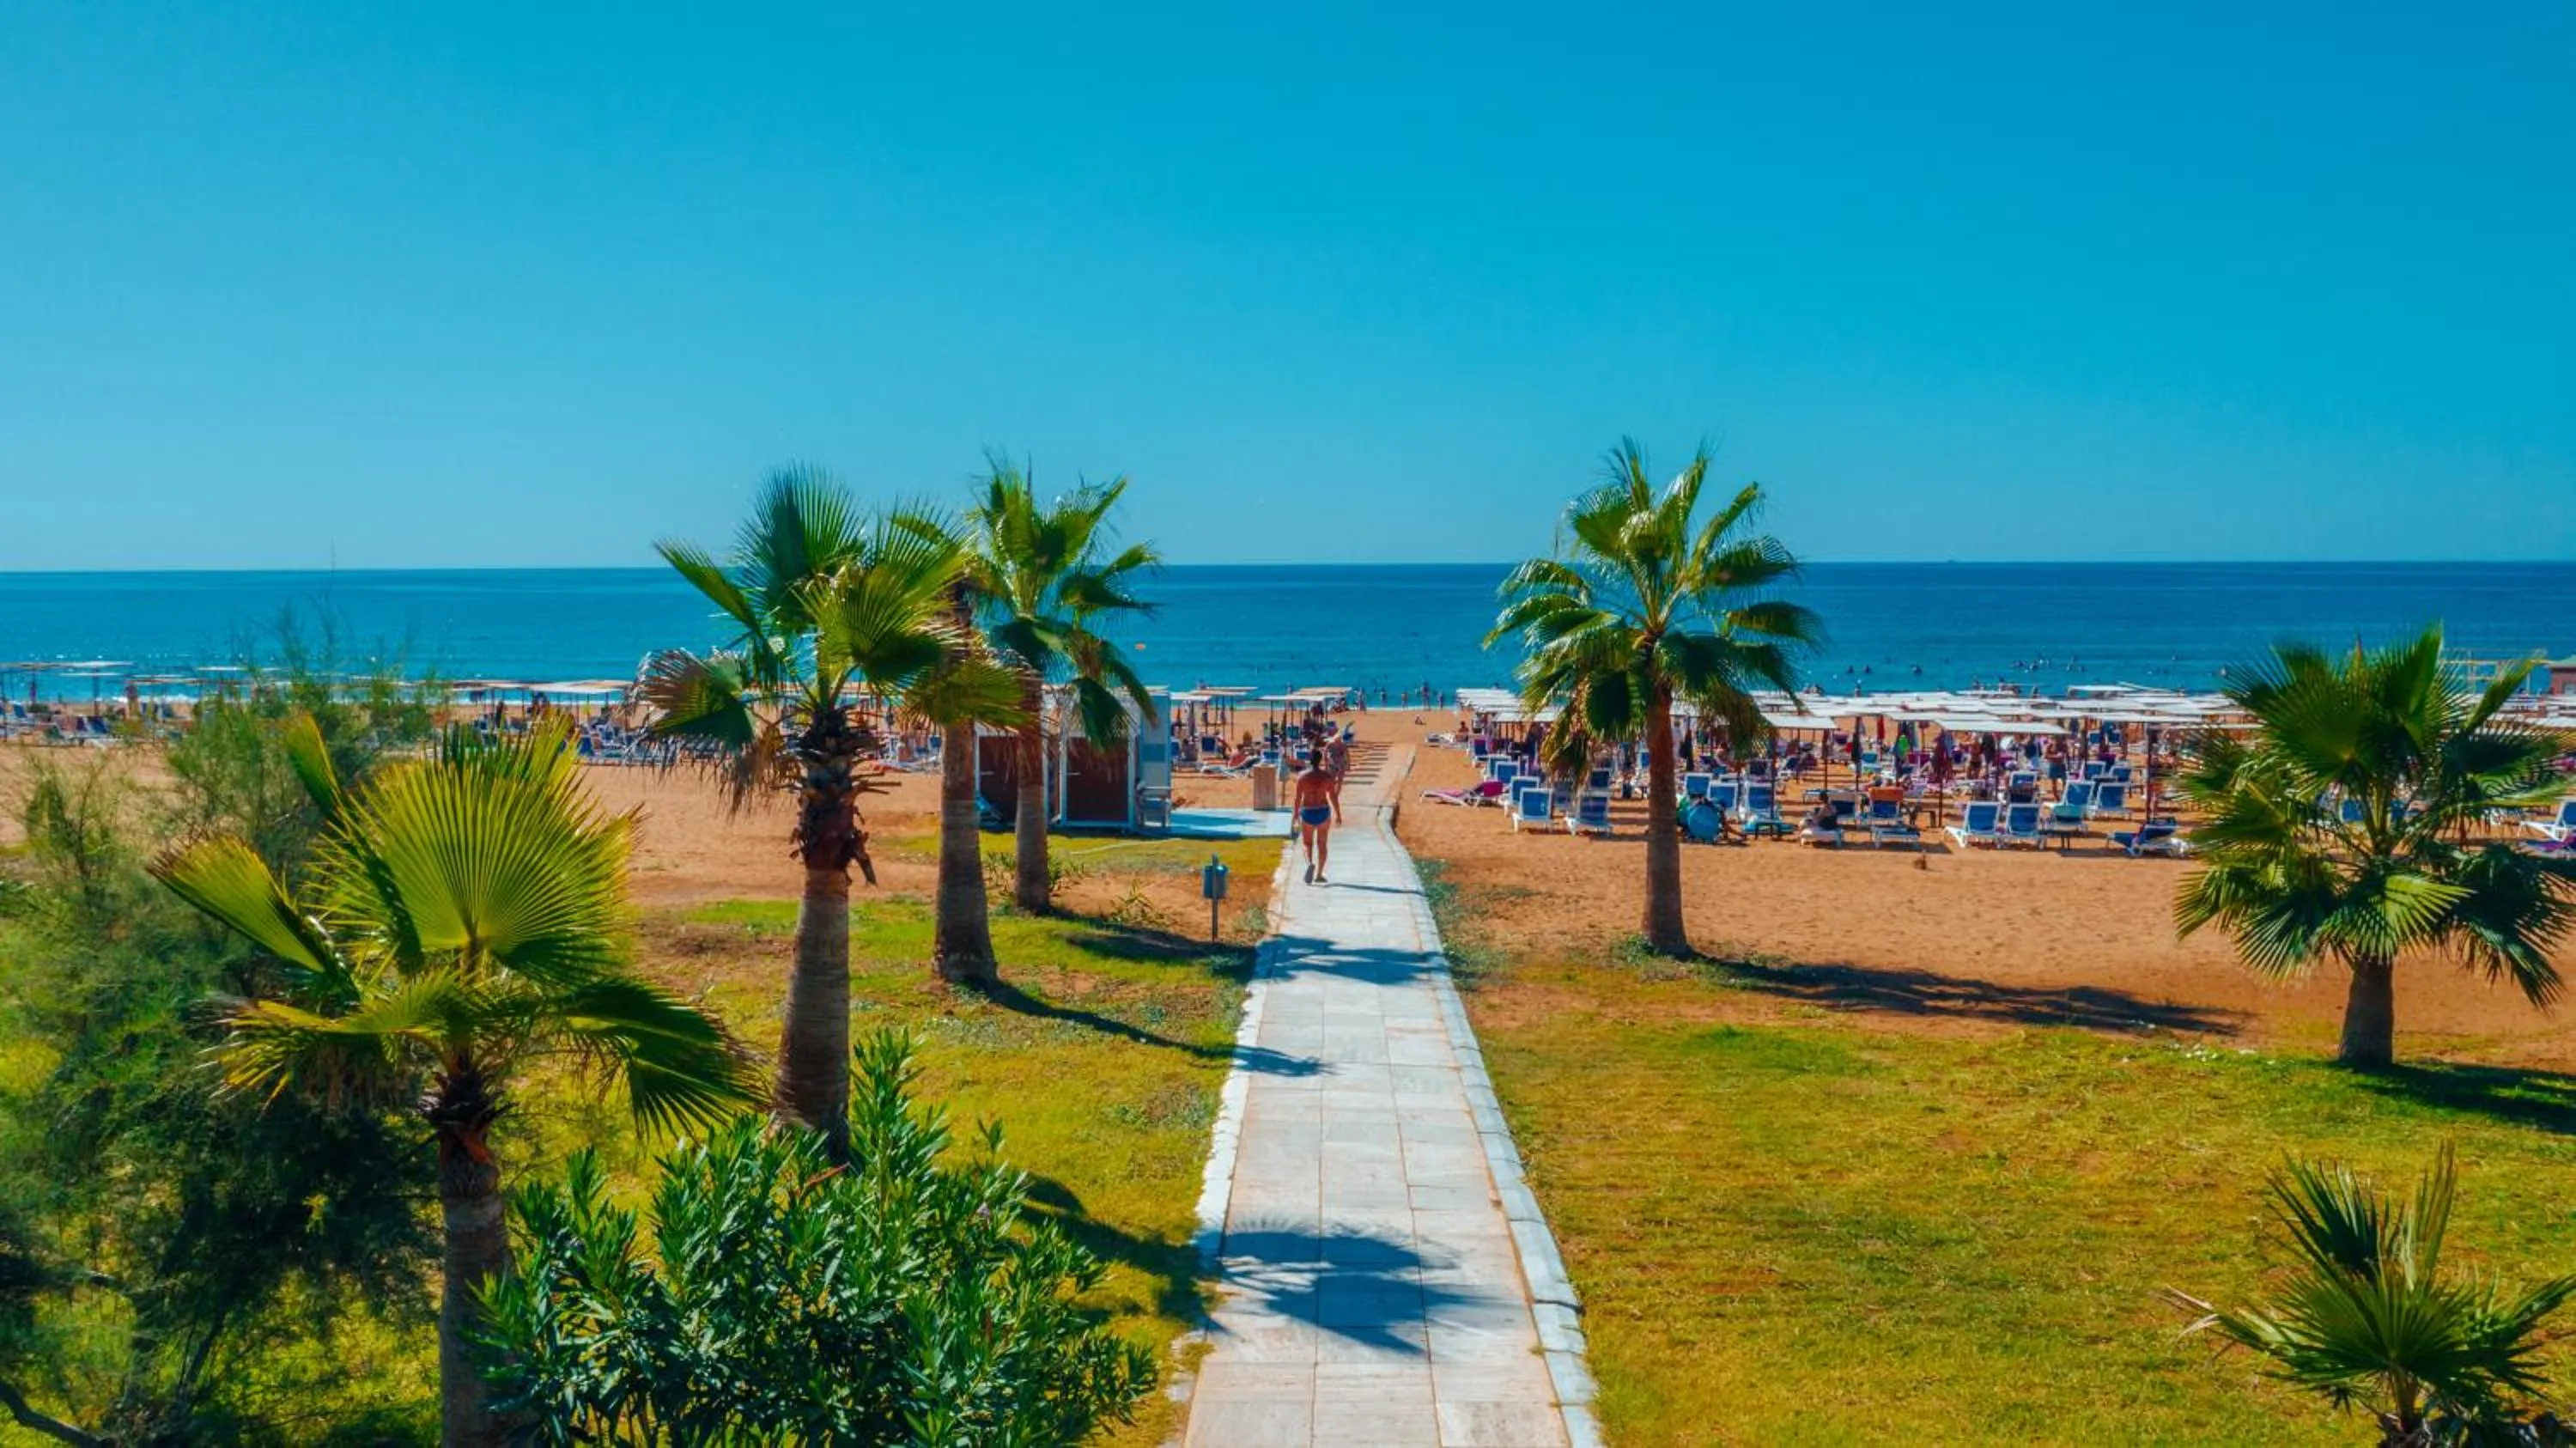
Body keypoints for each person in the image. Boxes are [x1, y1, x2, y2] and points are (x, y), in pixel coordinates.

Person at [1292, 751, 1342, 884]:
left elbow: (1298, 798)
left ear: (1310, 760)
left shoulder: (1302, 777)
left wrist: (1295, 816)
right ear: (1320, 760)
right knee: (1322, 844)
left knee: (1307, 843)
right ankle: (1319, 874)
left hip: (1308, 811)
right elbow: (1333, 796)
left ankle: (1309, 863)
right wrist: (1338, 813)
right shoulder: (1327, 776)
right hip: (1323, 811)